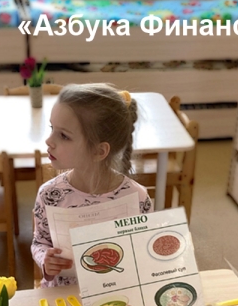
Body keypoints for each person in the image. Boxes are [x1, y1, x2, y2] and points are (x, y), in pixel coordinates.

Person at [31, 83, 153, 287]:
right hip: (62, 295)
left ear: (99, 151)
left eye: (64, 135)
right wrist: (46, 260)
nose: (48, 141)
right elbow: (39, 242)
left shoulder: (137, 197)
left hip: (116, 292)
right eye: (52, 129)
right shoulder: (49, 194)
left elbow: (143, 250)